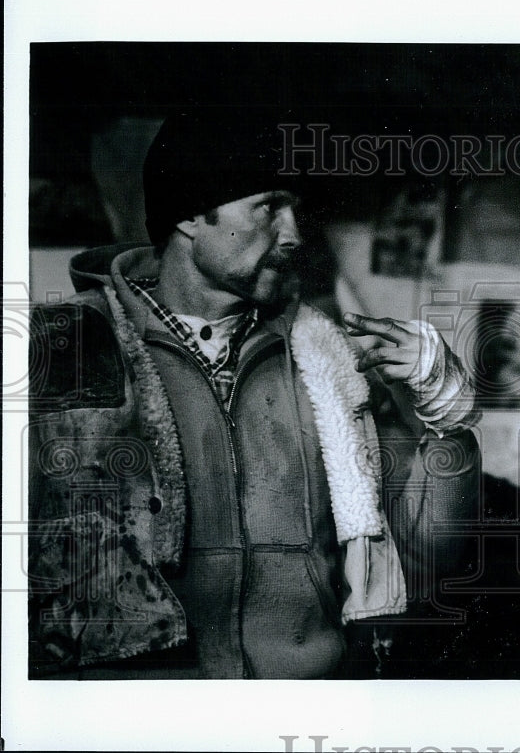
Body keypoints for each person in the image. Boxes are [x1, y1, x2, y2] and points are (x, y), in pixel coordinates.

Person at [28, 112, 481, 678]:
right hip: (138, 712)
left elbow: (425, 557)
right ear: (192, 216)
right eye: (268, 206)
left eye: (294, 209)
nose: (293, 234)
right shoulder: (65, 348)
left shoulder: (329, 361)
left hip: (298, 706)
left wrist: (450, 420)